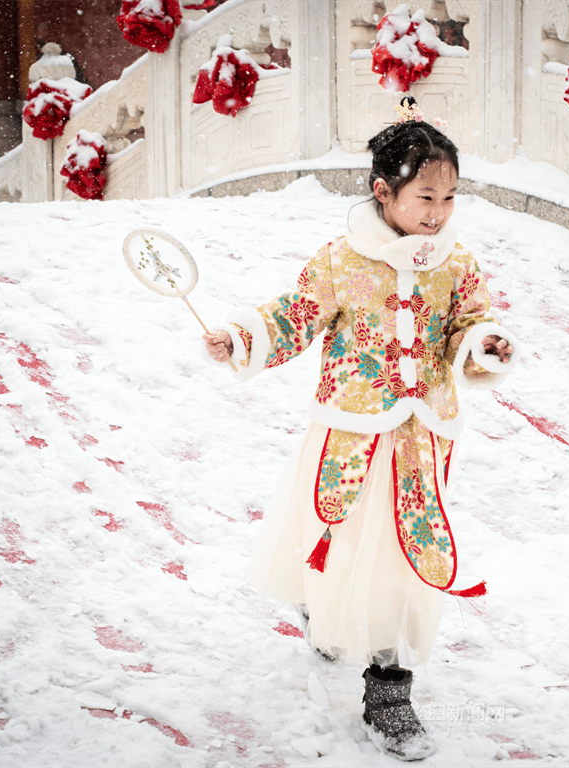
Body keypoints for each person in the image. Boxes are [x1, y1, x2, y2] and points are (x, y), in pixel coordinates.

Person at [202, 101, 519, 761]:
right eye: (425, 195)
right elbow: (298, 313)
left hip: (421, 435)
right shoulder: (344, 259)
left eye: (450, 197)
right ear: (384, 191)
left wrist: (484, 343)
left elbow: (471, 321)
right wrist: (241, 336)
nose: (438, 211)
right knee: (345, 541)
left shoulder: (454, 264)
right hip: (351, 432)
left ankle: (389, 686)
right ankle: (329, 608)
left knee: (406, 552)